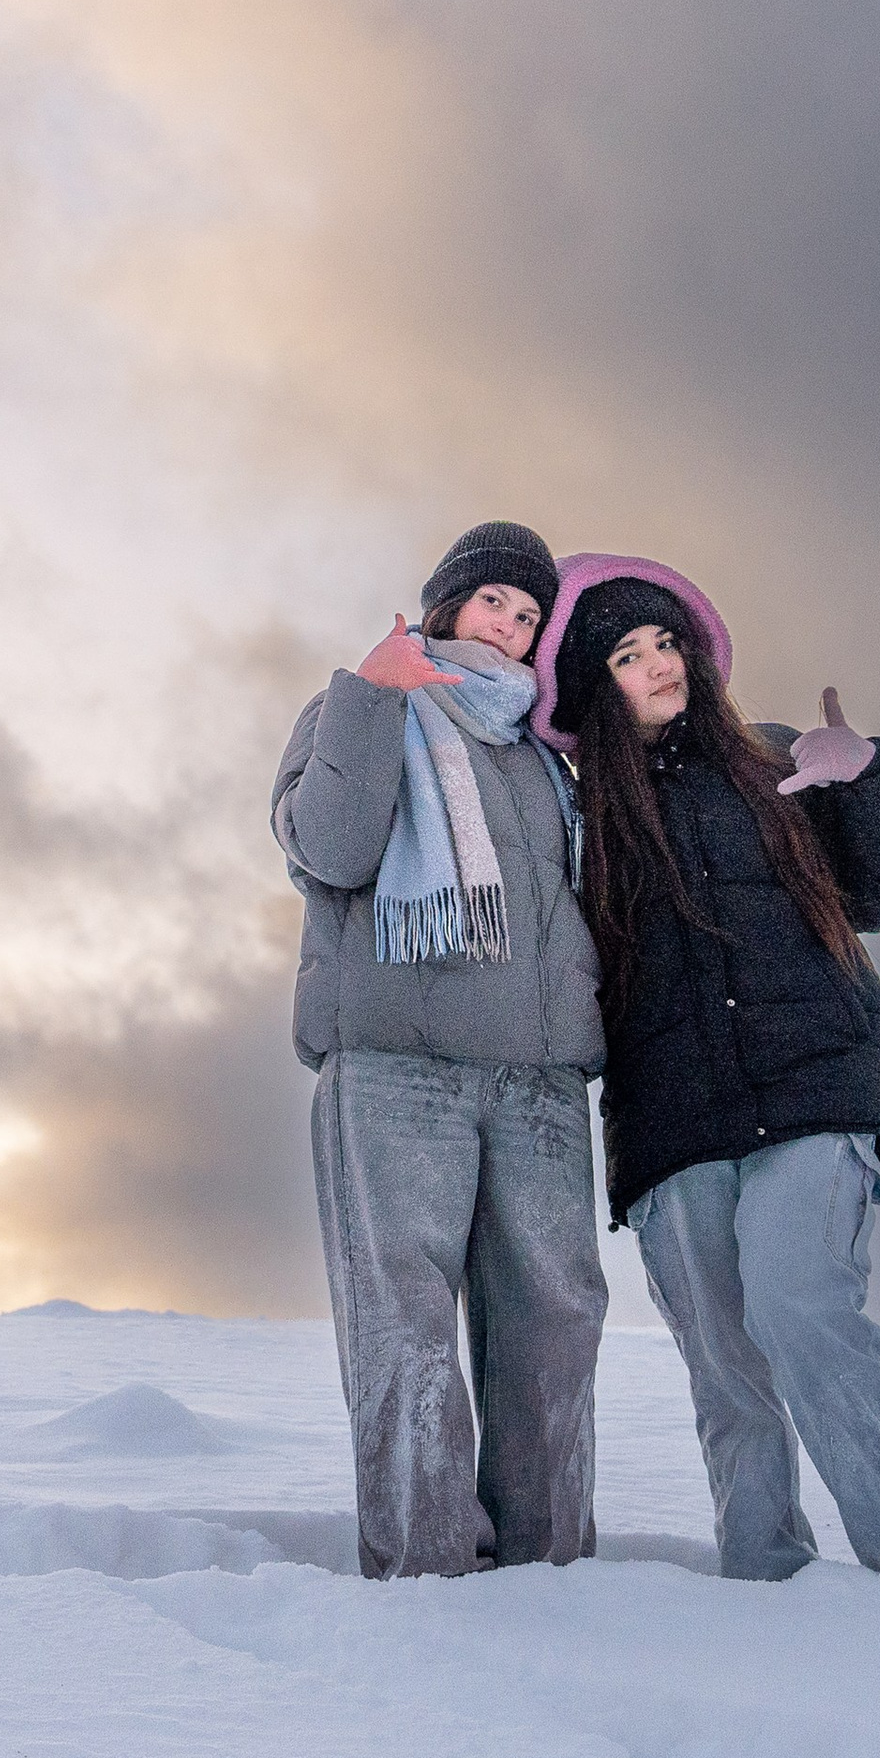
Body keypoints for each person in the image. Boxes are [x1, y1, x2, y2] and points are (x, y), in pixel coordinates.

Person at [531, 552, 880, 1590]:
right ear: (594, 686)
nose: (659, 665)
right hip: (671, 1121)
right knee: (725, 1366)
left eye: (666, 643)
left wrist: (868, 779)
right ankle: (764, 1580)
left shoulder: (777, 762)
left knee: (799, 1307)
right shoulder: (580, 816)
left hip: (815, 1089)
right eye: (628, 655)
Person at [272, 520, 609, 1579]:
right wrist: (373, 698)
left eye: (528, 613)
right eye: (493, 600)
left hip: (537, 1079)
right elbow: (329, 848)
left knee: (556, 1321)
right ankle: (425, 1572)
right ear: (447, 602)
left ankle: (550, 1571)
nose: (508, 625)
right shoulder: (357, 707)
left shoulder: (545, 755)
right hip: (396, 1069)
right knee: (405, 1320)